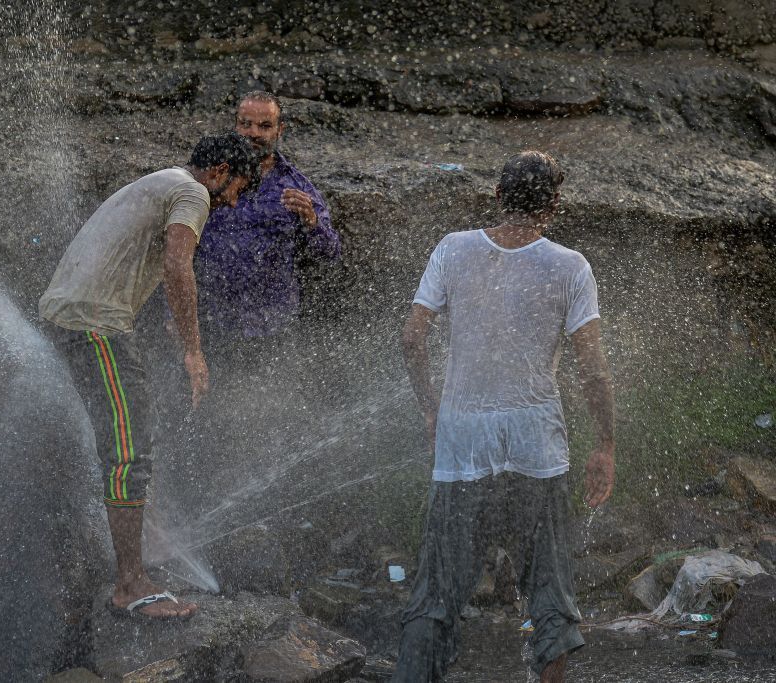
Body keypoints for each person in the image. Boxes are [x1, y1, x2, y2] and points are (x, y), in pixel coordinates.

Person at [393, 151, 616, 682]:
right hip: (536, 447)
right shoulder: (570, 266)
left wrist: (432, 409)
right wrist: (605, 444)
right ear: (554, 206)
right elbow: (592, 369)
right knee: (551, 596)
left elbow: (412, 338)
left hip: (462, 444)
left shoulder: (453, 248)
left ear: (497, 195)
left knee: (436, 596)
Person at [38, 132, 258, 620]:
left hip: (74, 319)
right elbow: (179, 267)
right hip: (95, 326)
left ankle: (132, 549)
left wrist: (170, 319)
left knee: (125, 434)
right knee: (128, 452)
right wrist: (194, 352)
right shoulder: (194, 192)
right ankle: (130, 585)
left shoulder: (164, 181)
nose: (231, 202)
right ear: (220, 171)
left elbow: (141, 256)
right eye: (236, 190)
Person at [195, 91, 341, 342]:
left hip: (271, 328)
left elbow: (330, 254)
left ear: (279, 130)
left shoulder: (296, 187)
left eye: (264, 126)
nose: (253, 133)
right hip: (208, 321)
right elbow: (176, 250)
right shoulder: (209, 177)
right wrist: (173, 314)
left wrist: (312, 222)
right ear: (235, 125)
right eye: (246, 124)